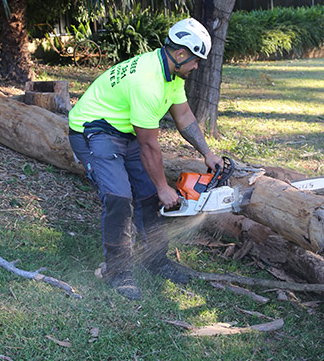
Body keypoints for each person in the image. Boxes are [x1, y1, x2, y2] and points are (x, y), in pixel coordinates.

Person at [68, 18, 222, 300]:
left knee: (148, 193)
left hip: (123, 129)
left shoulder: (172, 74)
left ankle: (156, 259)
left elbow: (184, 116)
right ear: (180, 54)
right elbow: (149, 145)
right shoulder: (148, 81)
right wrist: (165, 188)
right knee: (119, 196)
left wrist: (207, 152)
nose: (197, 66)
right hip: (94, 130)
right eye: (196, 60)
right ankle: (118, 271)